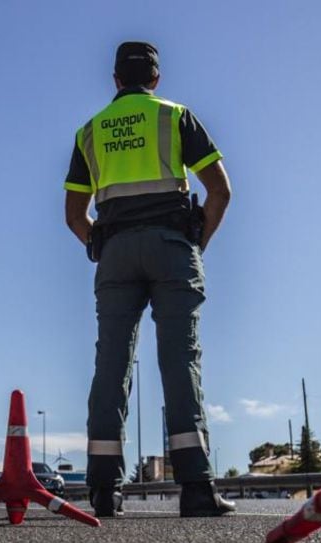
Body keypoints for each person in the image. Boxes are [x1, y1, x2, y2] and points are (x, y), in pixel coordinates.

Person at [63, 42, 235, 517]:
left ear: (115, 79)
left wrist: (95, 244)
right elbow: (219, 189)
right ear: (155, 79)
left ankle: (103, 489)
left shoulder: (90, 131)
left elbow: (74, 213)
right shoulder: (174, 115)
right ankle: (197, 487)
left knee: (111, 365)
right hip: (171, 246)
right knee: (180, 360)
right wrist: (197, 244)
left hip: (115, 252)